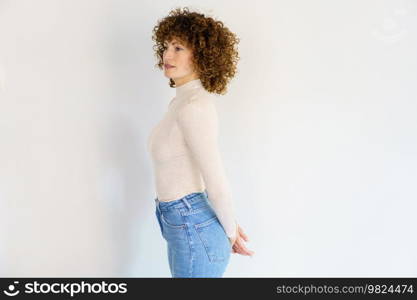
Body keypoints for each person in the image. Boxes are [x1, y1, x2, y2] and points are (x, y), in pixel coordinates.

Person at [148, 7, 254, 278]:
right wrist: (224, 222)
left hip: (192, 223)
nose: (167, 55)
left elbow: (215, 178)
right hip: (183, 220)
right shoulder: (180, 102)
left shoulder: (194, 106)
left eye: (179, 48)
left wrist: (230, 231)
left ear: (203, 56)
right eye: (167, 46)